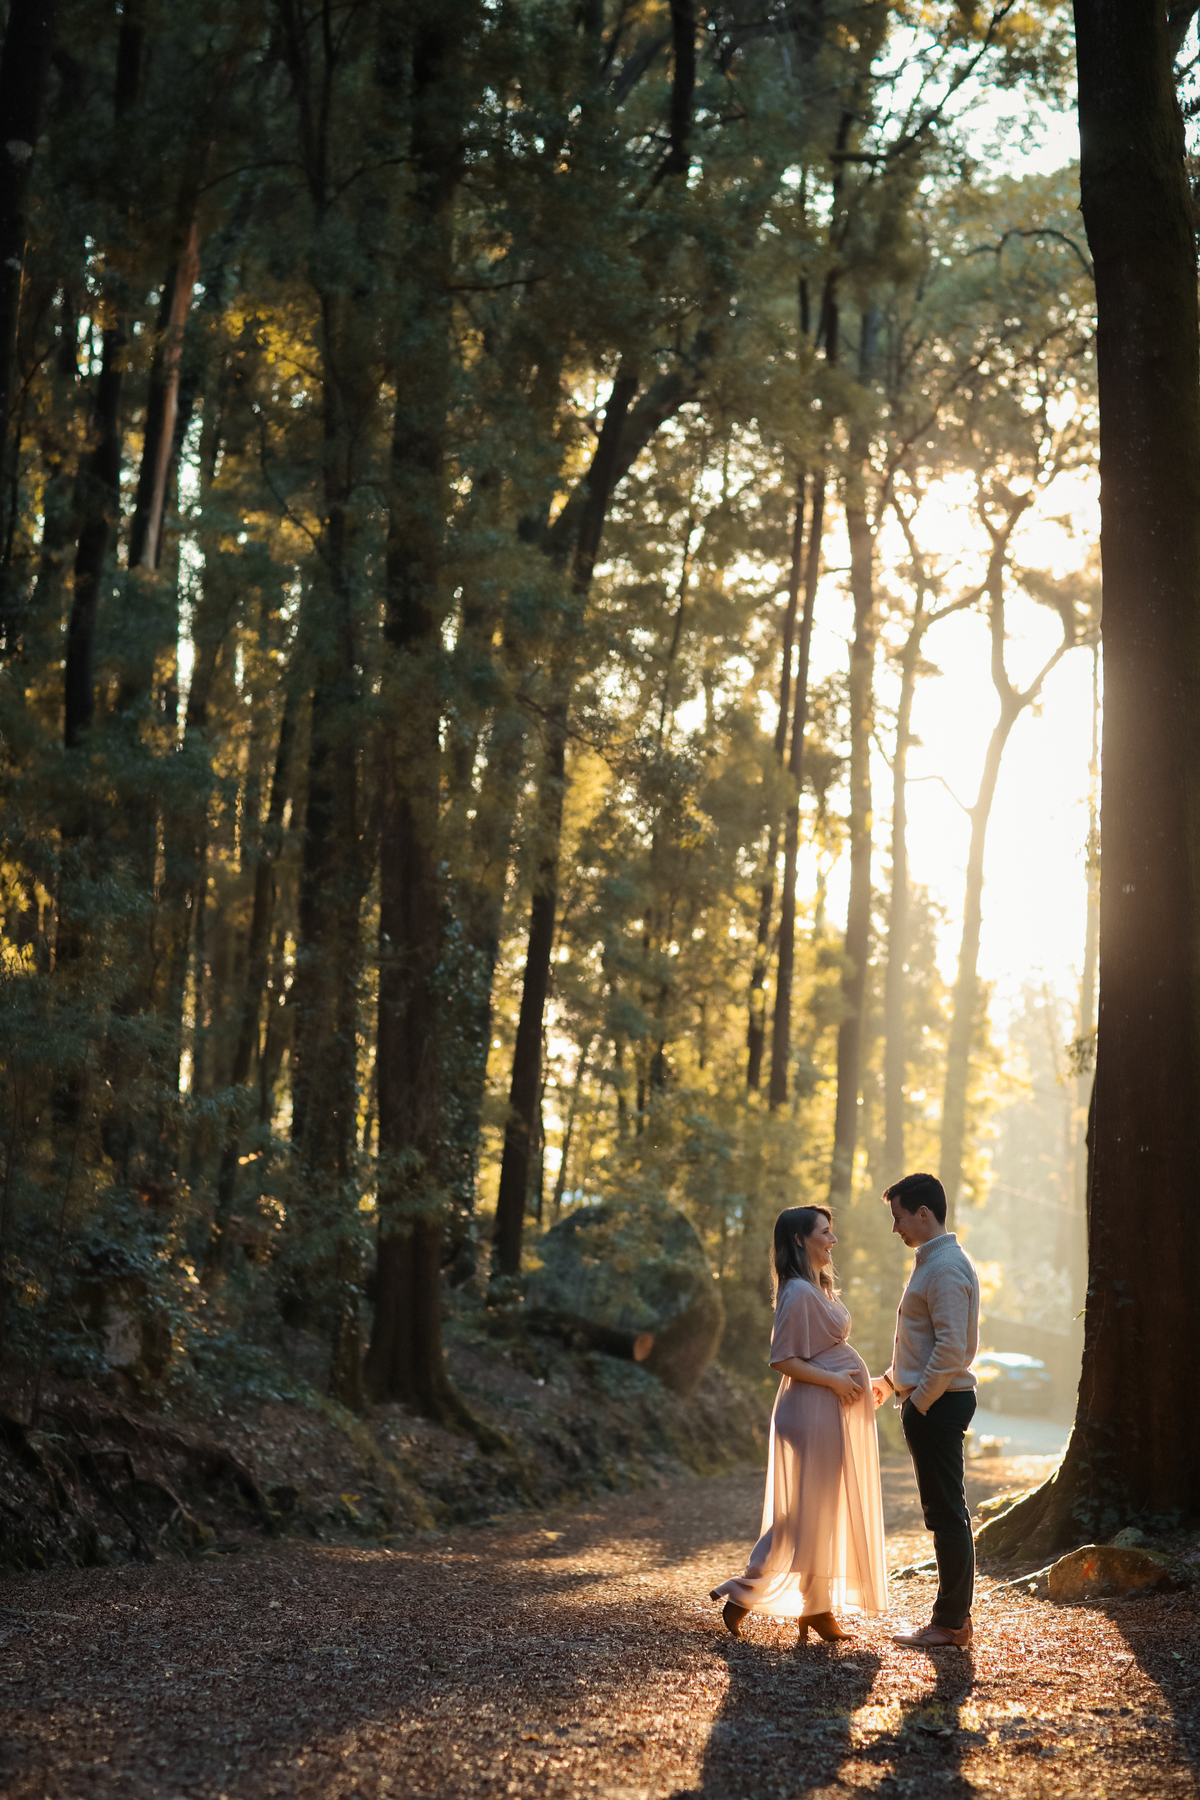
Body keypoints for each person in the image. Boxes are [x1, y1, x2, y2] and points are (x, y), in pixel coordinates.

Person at [710, 1205, 887, 1643]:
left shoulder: (815, 1287)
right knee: (804, 1512)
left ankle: (815, 1606)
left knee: (817, 1510)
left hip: (822, 1409)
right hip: (810, 1410)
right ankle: (747, 1592)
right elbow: (782, 1359)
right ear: (799, 1240)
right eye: (825, 1232)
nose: (833, 1240)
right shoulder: (796, 1292)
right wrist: (832, 1380)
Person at [870, 1171, 981, 1650]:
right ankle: (952, 1620)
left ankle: (952, 1623)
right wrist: (893, 1381)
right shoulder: (931, 1263)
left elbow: (953, 1349)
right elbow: (928, 1340)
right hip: (932, 1400)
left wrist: (918, 1402)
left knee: (947, 1513)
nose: (895, 1229)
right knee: (942, 1511)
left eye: (898, 1218)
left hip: (939, 1404)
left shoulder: (946, 1267)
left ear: (922, 1212)